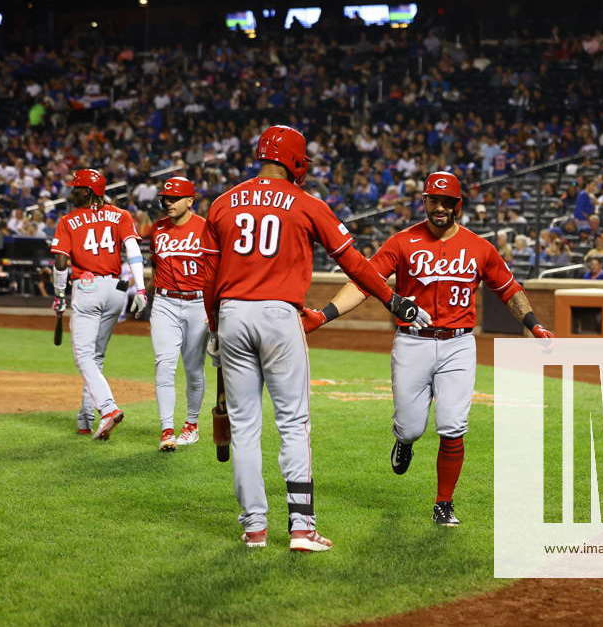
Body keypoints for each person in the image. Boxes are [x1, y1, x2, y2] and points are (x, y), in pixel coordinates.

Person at [200, 125, 427, 552]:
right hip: (278, 315)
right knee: (293, 422)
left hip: (231, 314)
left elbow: (209, 277)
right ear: (296, 160)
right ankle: (301, 528)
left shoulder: (222, 203)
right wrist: (393, 300)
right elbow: (356, 265)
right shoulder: (306, 203)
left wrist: (214, 325)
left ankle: (254, 529)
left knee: (245, 427)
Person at [301, 170, 553, 528]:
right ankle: (403, 440)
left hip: (459, 344)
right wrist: (323, 315)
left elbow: (509, 289)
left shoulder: (480, 247)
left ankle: (443, 503)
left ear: (457, 206)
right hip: (413, 342)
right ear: (424, 202)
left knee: (453, 425)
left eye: (447, 201)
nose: (440, 208)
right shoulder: (402, 242)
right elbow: (365, 282)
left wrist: (533, 324)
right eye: (434, 200)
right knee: (411, 427)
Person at [50, 168, 146, 438]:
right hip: (116, 290)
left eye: (77, 188)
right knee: (96, 358)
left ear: (89, 191)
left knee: (84, 357)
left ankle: (108, 408)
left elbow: (60, 262)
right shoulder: (121, 214)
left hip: (88, 288)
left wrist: (59, 294)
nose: (72, 192)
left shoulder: (68, 221)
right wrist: (140, 288)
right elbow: (133, 250)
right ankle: (85, 419)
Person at [145, 177, 210, 452]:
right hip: (165, 303)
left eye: (174, 198)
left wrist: (217, 311)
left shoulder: (207, 229)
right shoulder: (157, 229)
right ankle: (167, 429)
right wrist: (144, 294)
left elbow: (216, 270)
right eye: (165, 198)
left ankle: (191, 425)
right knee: (164, 364)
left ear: (190, 201)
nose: (167, 203)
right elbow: (155, 266)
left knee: (194, 370)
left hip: (198, 304)